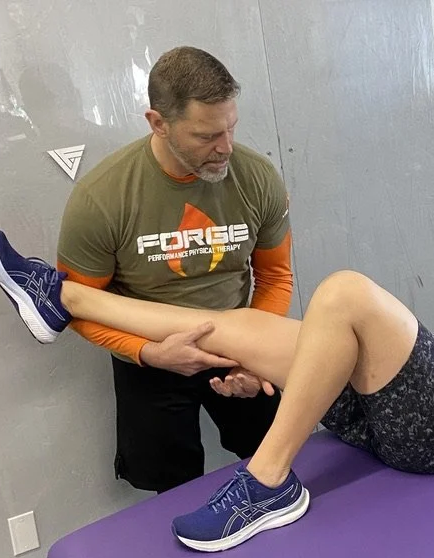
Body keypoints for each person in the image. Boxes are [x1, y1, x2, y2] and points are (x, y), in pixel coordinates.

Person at [0, 229, 434, 553]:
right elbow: (415, 363)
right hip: (398, 408)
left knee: (345, 290)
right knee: (242, 328)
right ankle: (61, 295)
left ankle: (268, 481)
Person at [55, 46, 295, 493]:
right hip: (149, 356)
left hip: (241, 344)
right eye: (205, 136)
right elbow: (77, 306)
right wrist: (149, 354)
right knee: (167, 488)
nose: (224, 148)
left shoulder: (257, 177)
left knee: (280, 465)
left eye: (230, 128)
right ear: (158, 123)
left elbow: (276, 277)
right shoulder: (101, 199)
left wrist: (258, 356)